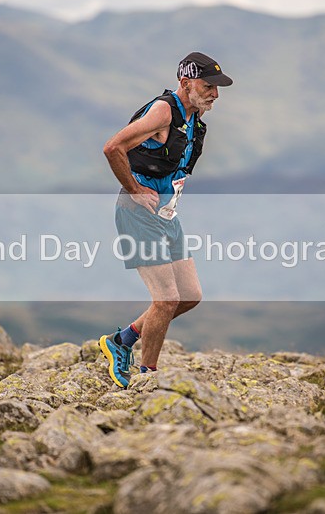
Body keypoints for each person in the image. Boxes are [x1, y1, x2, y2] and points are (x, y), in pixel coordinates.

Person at [99, 52, 233, 388]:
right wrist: (133, 189)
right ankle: (149, 379)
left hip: (167, 217)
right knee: (166, 300)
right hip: (138, 215)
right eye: (208, 86)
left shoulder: (193, 118)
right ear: (185, 83)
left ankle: (122, 341)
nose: (214, 94)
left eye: (218, 88)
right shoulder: (163, 111)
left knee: (189, 295)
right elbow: (113, 147)